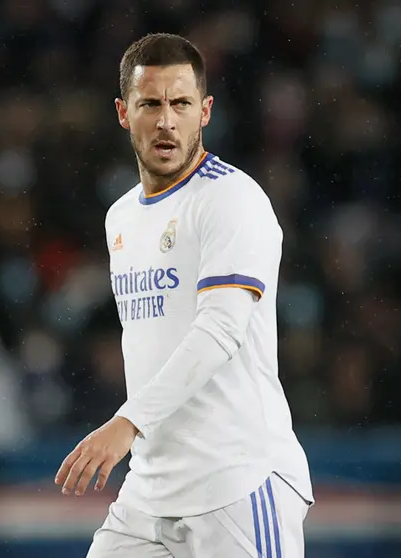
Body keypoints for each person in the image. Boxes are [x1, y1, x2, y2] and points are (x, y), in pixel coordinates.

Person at [54, 33, 314, 557]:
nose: (166, 120)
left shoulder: (232, 199)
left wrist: (127, 422)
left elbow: (219, 329)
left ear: (206, 111)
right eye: (151, 103)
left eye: (181, 103)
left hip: (236, 485)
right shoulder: (121, 216)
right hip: (149, 492)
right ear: (124, 113)